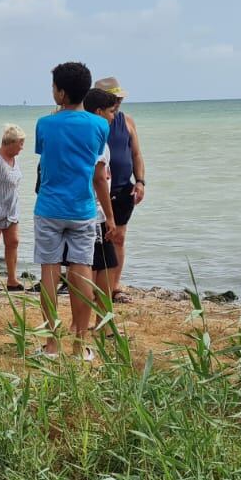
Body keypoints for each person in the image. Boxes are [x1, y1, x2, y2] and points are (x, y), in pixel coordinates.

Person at [31, 62, 112, 359]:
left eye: (54, 87)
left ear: (61, 92)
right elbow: (94, 159)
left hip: (50, 206)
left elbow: (44, 153)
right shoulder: (100, 124)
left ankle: (52, 344)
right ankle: (80, 345)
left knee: (50, 273)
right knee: (82, 274)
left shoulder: (44, 123)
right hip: (83, 207)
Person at [93, 77, 145, 301]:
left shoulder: (127, 121)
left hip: (123, 187)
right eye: (114, 98)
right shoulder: (93, 122)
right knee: (96, 239)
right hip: (97, 188)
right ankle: (94, 287)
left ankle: (114, 286)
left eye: (119, 98)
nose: (118, 102)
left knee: (119, 237)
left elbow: (136, 154)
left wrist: (141, 181)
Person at [78, 89, 124, 303]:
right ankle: (102, 322)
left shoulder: (78, 137)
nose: (113, 116)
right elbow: (99, 179)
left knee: (87, 264)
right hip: (94, 212)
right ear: (99, 112)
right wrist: (110, 216)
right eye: (111, 111)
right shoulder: (98, 141)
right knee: (104, 264)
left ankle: (85, 320)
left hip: (79, 208)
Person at [0, 124, 26, 293]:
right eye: (20, 143)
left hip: (11, 208)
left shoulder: (14, 159)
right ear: (10, 142)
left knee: (13, 242)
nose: (22, 148)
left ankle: (12, 279)